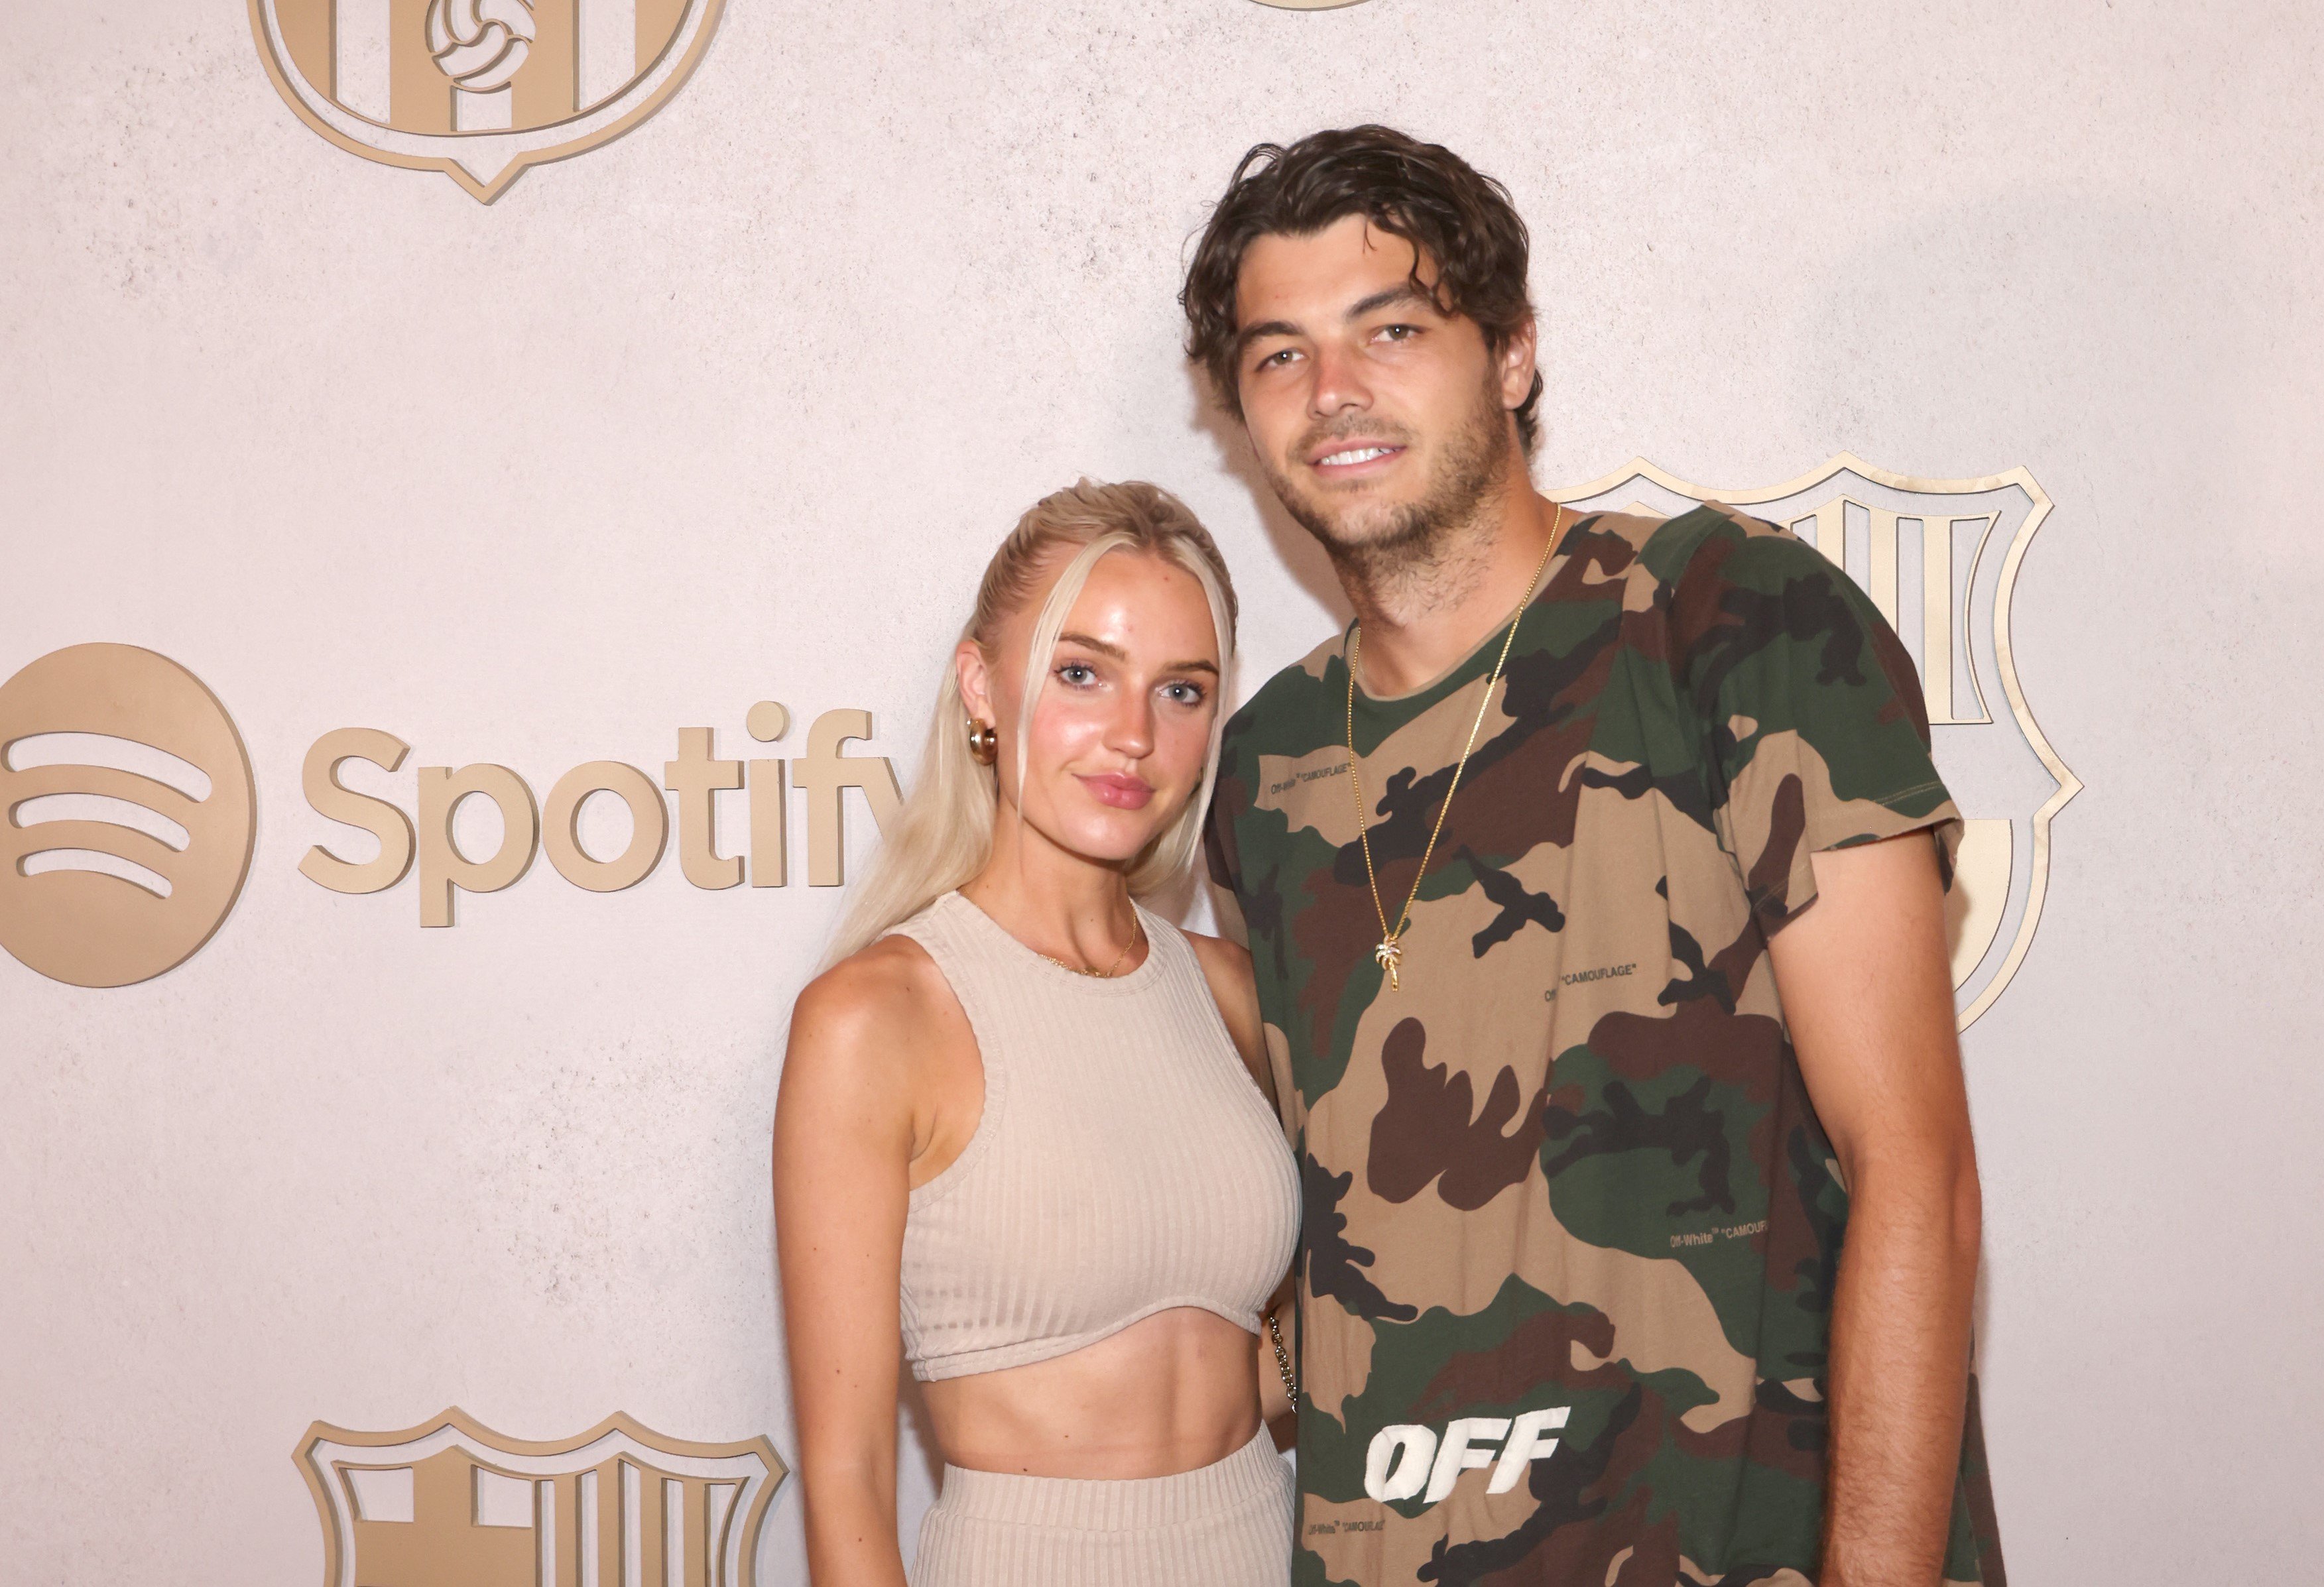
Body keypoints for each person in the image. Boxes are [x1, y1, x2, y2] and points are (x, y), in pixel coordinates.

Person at [1181, 126, 2002, 1586]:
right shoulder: (1264, 765)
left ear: (1511, 355)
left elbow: (1914, 1174)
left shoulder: (1728, 619)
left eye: (1391, 329)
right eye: (1279, 354)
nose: (1333, 391)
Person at [773, 480, 1302, 1587]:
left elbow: (1250, 1360)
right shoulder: (877, 1018)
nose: (1133, 735)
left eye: (1181, 690)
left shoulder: (1230, 993)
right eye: (1081, 672)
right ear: (981, 684)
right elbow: (847, 1478)